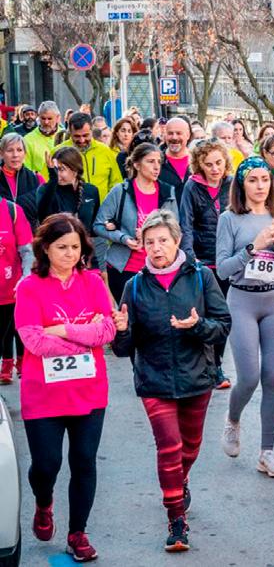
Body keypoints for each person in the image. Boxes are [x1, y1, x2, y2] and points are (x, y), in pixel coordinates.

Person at [112, 209, 231, 552]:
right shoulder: (134, 287)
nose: (156, 248)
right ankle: (176, 520)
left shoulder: (201, 277)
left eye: (163, 240)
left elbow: (223, 326)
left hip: (196, 377)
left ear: (177, 241)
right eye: (149, 242)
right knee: (169, 448)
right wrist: (121, 331)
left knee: (189, 447)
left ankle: (182, 479)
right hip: (154, 379)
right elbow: (122, 349)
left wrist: (197, 326)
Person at [15, 214, 115, 562]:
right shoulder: (29, 287)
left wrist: (62, 330)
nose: (70, 254)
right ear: (45, 248)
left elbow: (107, 332)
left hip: (90, 391)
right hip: (43, 393)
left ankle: (77, 533)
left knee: (84, 461)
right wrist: (85, 339)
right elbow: (33, 340)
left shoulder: (93, 283)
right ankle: (44, 503)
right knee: (47, 465)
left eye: (75, 247)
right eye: (62, 247)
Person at [216, 157, 274, 477]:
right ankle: (233, 419)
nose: (260, 186)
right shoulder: (229, 219)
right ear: (242, 184)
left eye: (265, 179)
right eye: (253, 180)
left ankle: (267, 453)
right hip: (242, 301)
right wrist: (254, 247)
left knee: (271, 378)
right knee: (249, 377)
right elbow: (223, 269)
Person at [179, 138, 234, 390]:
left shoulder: (232, 184)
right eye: (209, 164)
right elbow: (186, 224)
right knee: (202, 316)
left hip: (226, 261)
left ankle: (217, 365)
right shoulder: (192, 187)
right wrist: (191, 257)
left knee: (222, 317)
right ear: (199, 164)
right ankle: (203, 366)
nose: (214, 169)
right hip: (202, 260)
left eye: (218, 163)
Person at [94, 142, 179, 303]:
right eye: (150, 161)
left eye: (159, 162)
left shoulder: (168, 192)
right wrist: (124, 238)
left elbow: (175, 229)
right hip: (123, 268)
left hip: (157, 267)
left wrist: (150, 235)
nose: (156, 167)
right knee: (127, 314)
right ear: (137, 164)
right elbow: (98, 225)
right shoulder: (121, 191)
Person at [0, 197, 33, 384]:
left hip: (10, 287)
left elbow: (27, 250)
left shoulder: (11, 211)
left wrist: (25, 279)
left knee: (14, 327)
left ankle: (18, 363)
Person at [54, 113, 123, 202]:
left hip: (102, 209)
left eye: (85, 135)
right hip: (69, 209)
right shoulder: (57, 153)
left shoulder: (105, 151)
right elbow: (45, 184)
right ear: (70, 132)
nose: (82, 140)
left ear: (92, 131)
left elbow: (116, 183)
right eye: (77, 136)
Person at [36, 147, 101, 238]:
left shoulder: (91, 190)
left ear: (75, 170)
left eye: (61, 169)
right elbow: (43, 218)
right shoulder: (46, 189)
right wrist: (53, 179)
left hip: (83, 244)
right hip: (56, 243)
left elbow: (95, 226)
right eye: (55, 169)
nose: (57, 174)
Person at [0, 133, 43, 227]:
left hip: (30, 233)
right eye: (10, 150)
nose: (15, 155)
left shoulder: (36, 178)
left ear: (25, 153)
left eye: (19, 150)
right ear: (1, 153)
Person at [23, 101, 62, 179]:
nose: (46, 122)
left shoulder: (66, 136)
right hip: (40, 184)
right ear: (38, 117)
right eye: (43, 118)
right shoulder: (27, 140)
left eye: (50, 119)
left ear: (58, 118)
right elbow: (26, 171)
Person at [159, 117, 193, 204]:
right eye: (170, 133)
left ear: (188, 135)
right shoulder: (157, 162)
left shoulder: (199, 161)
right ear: (165, 135)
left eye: (179, 133)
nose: (174, 137)